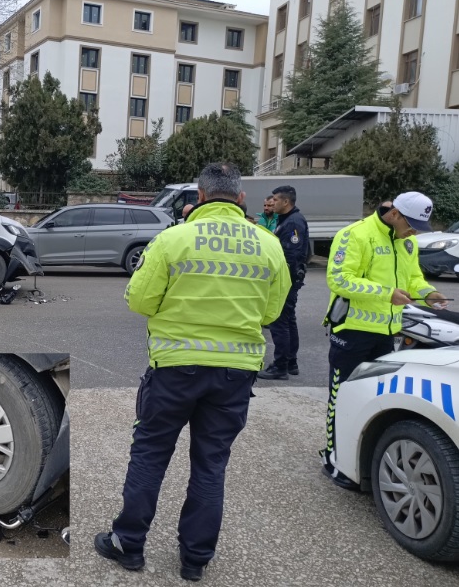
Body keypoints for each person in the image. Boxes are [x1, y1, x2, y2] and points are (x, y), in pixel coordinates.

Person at [94, 163, 290, 581]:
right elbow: (272, 311)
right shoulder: (269, 244)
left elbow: (140, 301)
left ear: (198, 197)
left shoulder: (173, 239)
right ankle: (195, 559)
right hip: (235, 374)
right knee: (210, 464)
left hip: (175, 369)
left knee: (150, 455)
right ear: (240, 199)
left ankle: (128, 544)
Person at [321, 192, 448, 489]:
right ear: (394, 214)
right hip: (352, 332)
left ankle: (359, 455)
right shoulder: (356, 235)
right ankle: (333, 457)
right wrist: (384, 293)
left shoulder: (406, 241)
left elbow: (412, 278)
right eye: (412, 224)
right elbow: (339, 280)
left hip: (387, 331)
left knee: (373, 397)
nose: (414, 231)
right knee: (341, 395)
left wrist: (428, 292)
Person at [258, 186, 309, 380]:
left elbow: (291, 255)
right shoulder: (287, 220)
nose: (272, 203)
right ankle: (290, 362)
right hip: (289, 279)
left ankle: (280, 366)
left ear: (286, 202)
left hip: (286, 280)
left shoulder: (293, 222)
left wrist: (279, 281)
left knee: (280, 322)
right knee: (288, 320)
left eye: (276, 200)